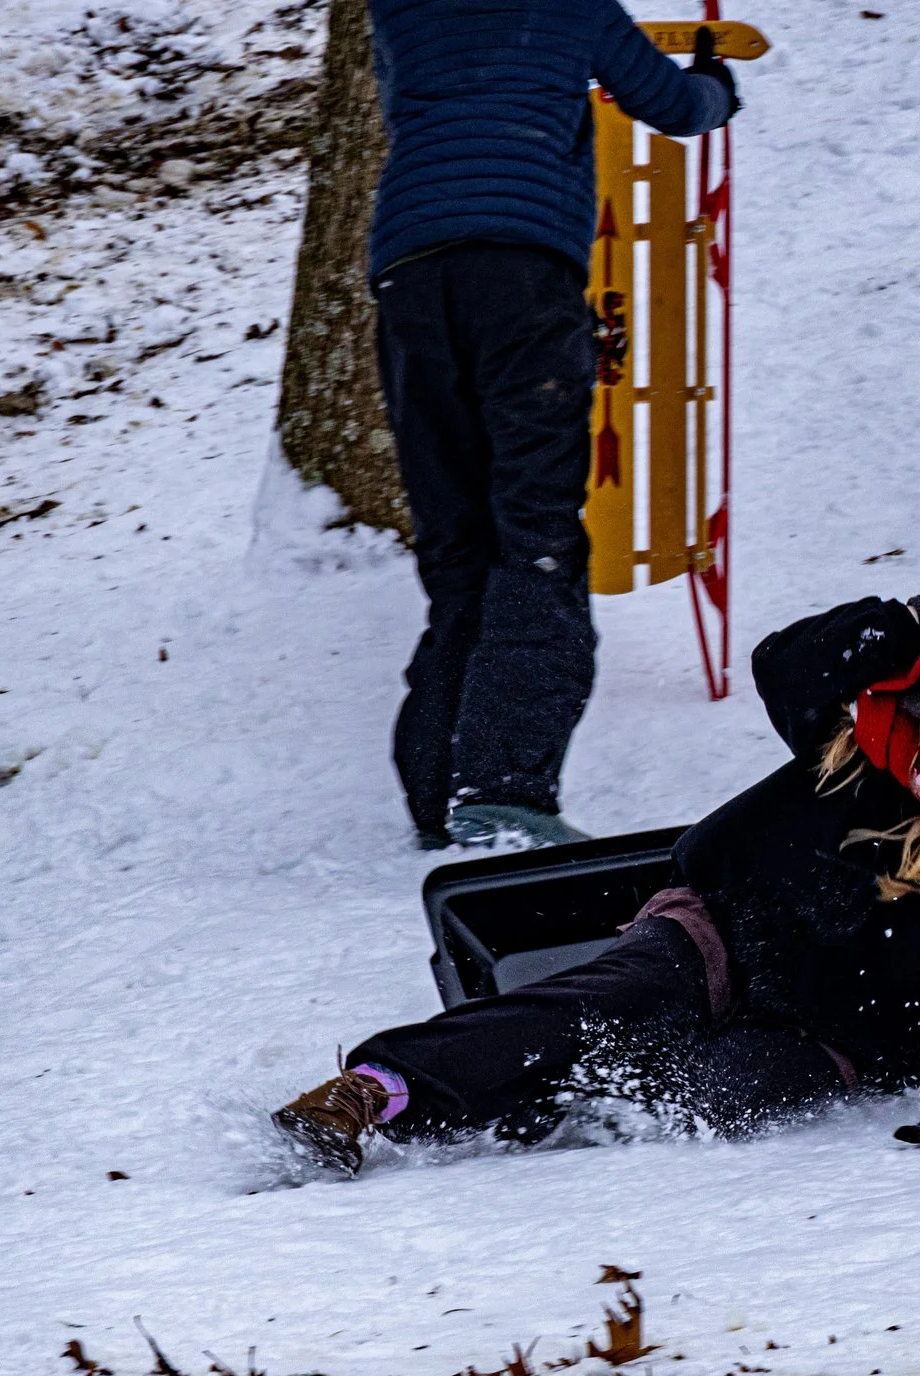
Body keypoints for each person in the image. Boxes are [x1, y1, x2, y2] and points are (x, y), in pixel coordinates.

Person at [274, 558, 920, 1171]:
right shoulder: (862, 741)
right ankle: (372, 1091)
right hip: (721, 931)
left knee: (711, 1093)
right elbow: (784, 667)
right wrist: (901, 626)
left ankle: (538, 1102)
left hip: (836, 1035)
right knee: (608, 1002)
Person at [367, 1, 742, 849]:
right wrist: (716, 86)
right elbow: (672, 107)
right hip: (523, 272)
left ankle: (439, 790)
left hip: (410, 275)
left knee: (457, 541)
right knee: (536, 535)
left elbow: (408, 95)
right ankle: (502, 791)